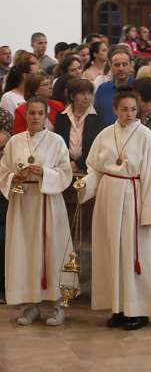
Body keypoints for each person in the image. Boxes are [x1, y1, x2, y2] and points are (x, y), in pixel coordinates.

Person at [77, 87, 151, 330]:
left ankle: (139, 310)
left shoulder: (145, 135)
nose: (129, 114)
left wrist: (149, 210)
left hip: (133, 197)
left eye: (133, 109)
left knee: (133, 254)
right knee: (111, 252)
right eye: (124, 109)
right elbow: (94, 168)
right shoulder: (105, 134)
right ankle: (118, 307)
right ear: (115, 110)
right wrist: (83, 186)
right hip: (107, 197)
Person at [0, 97, 73, 326]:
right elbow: (3, 171)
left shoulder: (56, 141)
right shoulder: (14, 142)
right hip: (22, 203)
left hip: (48, 202)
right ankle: (29, 305)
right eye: (31, 113)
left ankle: (57, 305)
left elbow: (65, 172)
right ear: (25, 115)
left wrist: (45, 173)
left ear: (47, 115)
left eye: (40, 113)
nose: (35, 117)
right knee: (24, 251)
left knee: (53, 249)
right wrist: (15, 178)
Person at [54, 78, 106, 172]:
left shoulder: (98, 117)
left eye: (89, 93)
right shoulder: (61, 116)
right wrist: (67, 163)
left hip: (89, 169)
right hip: (64, 168)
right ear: (72, 96)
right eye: (82, 94)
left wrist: (78, 164)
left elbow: (99, 147)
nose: (87, 97)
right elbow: (58, 143)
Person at [93, 49, 134, 125]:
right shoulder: (102, 89)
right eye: (117, 65)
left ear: (131, 65)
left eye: (124, 64)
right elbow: (97, 117)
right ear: (110, 66)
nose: (121, 68)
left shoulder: (138, 87)